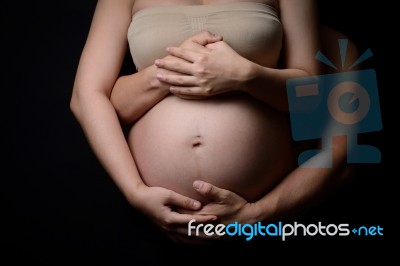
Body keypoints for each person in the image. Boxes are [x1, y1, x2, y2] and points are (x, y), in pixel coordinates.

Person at [71, 0, 354, 244]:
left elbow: (343, 151)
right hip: (146, 223)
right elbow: (90, 97)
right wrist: (135, 192)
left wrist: (259, 214)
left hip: (270, 225)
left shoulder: (342, 51)